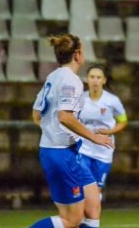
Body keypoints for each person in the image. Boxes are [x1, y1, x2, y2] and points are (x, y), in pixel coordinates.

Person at [31, 34, 113, 228]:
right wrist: (94, 137)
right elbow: (64, 116)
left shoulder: (53, 77)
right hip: (61, 154)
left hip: (68, 151)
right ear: (77, 55)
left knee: (93, 208)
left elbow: (36, 115)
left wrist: (52, 132)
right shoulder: (71, 80)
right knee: (71, 220)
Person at [78, 64, 128, 227]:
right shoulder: (80, 99)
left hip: (103, 153)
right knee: (84, 190)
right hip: (83, 150)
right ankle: (85, 221)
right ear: (87, 79)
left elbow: (123, 121)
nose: (95, 80)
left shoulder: (112, 100)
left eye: (98, 77)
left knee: (96, 192)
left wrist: (110, 131)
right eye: (92, 77)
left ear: (104, 80)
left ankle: (90, 220)